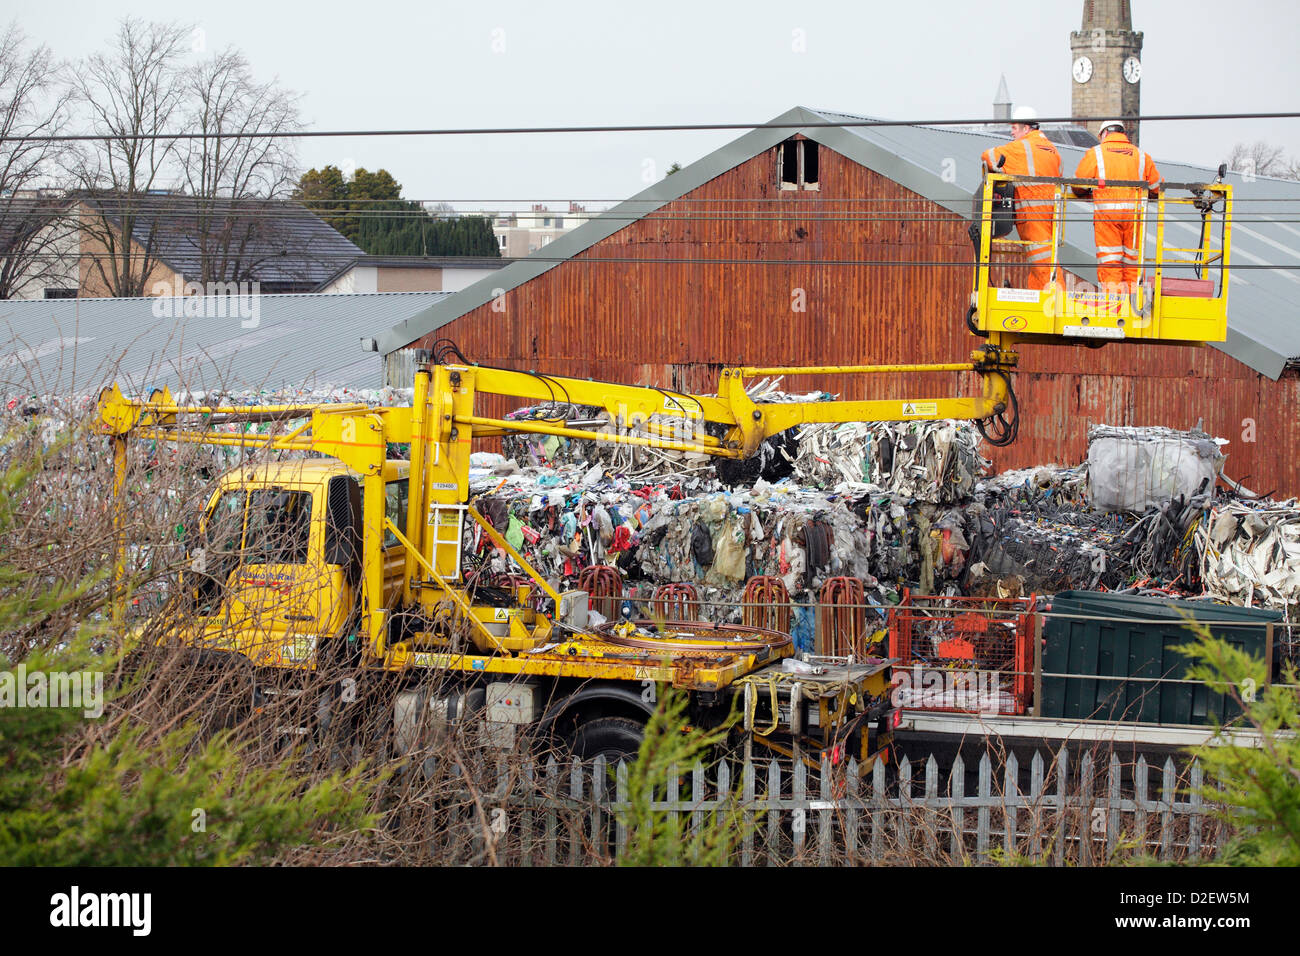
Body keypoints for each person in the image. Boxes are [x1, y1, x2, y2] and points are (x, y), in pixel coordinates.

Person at [1071, 119, 1162, 294]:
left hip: (1108, 217)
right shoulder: (1141, 155)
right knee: (1132, 263)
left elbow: (1078, 185)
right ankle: (1132, 305)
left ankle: (1114, 306)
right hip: (1134, 218)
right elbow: (1157, 188)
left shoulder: (1096, 153)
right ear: (1122, 133)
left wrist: (1088, 192)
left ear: (1104, 134)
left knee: (1111, 261)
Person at [979, 106, 1062, 290]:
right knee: (1044, 260)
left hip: (1032, 212)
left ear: (1026, 128)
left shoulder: (1021, 147)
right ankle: (1042, 298)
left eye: (1015, 127)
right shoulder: (1053, 151)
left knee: (1043, 264)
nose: (1011, 131)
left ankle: (1055, 303)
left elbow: (988, 155)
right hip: (1051, 213)